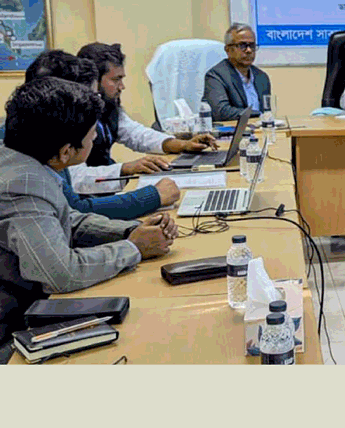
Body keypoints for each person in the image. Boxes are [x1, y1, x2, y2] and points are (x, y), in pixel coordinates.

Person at [0, 77, 176, 347]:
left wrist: (130, 231)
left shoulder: (23, 160)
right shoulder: (22, 186)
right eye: (92, 135)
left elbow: (67, 219)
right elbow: (61, 274)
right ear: (66, 151)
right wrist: (133, 248)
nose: (95, 138)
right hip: (11, 329)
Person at [23, 49, 180, 220]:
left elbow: (135, 133)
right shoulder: (39, 146)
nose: (94, 135)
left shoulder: (44, 129)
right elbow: (77, 209)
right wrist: (152, 197)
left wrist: (178, 144)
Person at [71, 43, 217, 194]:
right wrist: (126, 168)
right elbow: (76, 178)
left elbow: (136, 134)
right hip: (86, 198)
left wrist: (183, 144)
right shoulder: (72, 113)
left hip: (105, 190)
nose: (122, 86)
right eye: (116, 79)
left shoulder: (108, 106)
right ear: (94, 80)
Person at [203, 23, 272, 121]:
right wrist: (258, 114)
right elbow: (220, 112)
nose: (249, 50)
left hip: (258, 129)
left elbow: (267, 113)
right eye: (242, 45)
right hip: (232, 130)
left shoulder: (262, 77)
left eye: (252, 45)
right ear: (228, 50)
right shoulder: (215, 76)